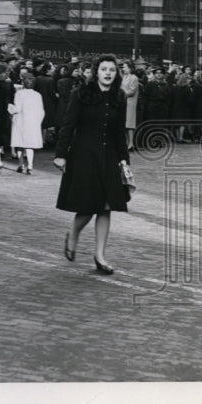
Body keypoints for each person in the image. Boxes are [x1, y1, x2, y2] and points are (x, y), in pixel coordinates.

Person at [54, 54, 131, 275]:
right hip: (84, 156)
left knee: (106, 208)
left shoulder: (120, 97)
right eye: (104, 69)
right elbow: (69, 124)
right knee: (87, 207)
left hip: (110, 157)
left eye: (112, 70)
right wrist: (61, 154)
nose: (108, 73)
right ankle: (74, 233)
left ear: (117, 74)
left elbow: (119, 132)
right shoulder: (81, 94)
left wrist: (125, 160)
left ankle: (100, 256)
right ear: (96, 71)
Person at [10, 75, 45, 174]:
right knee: (29, 146)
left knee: (20, 144)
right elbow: (42, 111)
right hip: (33, 122)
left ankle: (21, 165)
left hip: (21, 121)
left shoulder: (19, 93)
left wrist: (10, 108)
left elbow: (17, 108)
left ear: (23, 84)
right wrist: (38, 122)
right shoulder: (38, 95)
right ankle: (30, 166)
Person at [120, 62, 140, 151]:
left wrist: (121, 92)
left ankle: (131, 143)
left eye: (124, 67)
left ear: (130, 68)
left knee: (130, 123)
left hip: (130, 102)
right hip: (123, 102)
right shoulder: (123, 77)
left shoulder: (134, 78)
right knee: (125, 123)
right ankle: (127, 143)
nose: (123, 69)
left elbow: (131, 91)